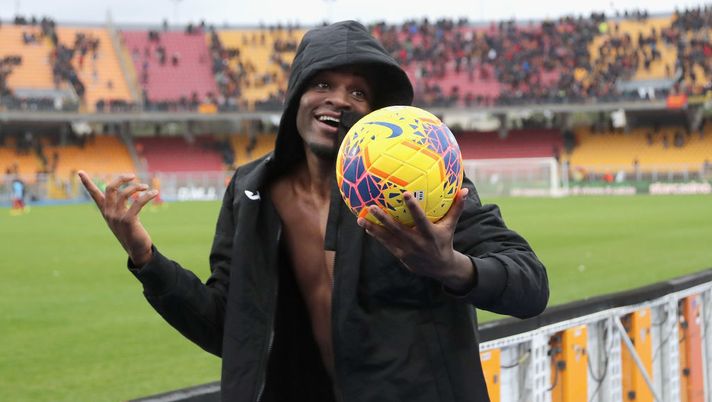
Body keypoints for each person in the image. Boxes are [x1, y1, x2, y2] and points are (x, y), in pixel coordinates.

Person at [78, 21, 548, 402]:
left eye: (358, 93)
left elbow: (530, 286)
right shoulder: (250, 191)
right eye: (323, 82)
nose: (339, 99)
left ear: (376, 111)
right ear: (296, 96)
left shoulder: (423, 184)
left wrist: (452, 267)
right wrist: (145, 258)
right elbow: (229, 330)